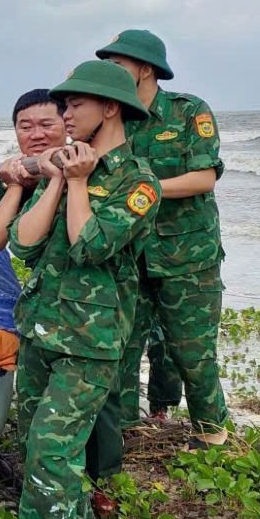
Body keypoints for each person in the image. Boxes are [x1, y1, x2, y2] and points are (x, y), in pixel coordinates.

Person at [7, 60, 159, 519]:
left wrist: (77, 184)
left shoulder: (138, 184)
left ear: (110, 108)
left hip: (88, 343)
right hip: (40, 329)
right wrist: (55, 181)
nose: (64, 114)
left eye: (75, 104)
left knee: (52, 454)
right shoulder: (67, 167)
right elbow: (23, 246)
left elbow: (90, 245)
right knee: (35, 445)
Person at [97, 29, 230, 451]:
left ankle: (211, 435)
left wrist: (142, 188)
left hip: (186, 256)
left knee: (192, 354)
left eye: (118, 65)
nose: (110, 73)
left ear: (146, 69)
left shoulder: (188, 112)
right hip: (129, 256)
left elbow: (203, 177)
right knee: (120, 351)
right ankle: (118, 437)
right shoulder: (113, 116)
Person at [0, 89, 67, 255]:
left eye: (47, 125)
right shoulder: (14, 176)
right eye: (25, 127)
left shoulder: (80, 168)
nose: (37, 135)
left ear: (68, 125)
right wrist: (14, 186)